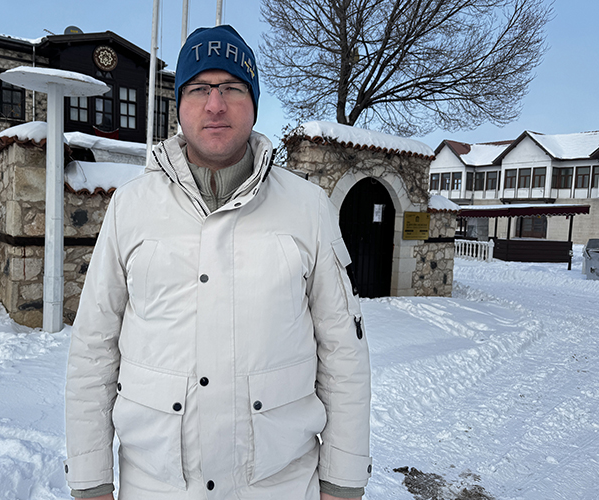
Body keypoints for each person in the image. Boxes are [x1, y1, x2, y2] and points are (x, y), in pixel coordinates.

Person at [64, 24, 371, 500]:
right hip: (157, 487)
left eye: (232, 87)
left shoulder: (309, 208)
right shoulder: (131, 206)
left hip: (280, 487)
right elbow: (93, 346)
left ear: (254, 103)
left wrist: (343, 481)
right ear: (178, 105)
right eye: (199, 89)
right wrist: (90, 481)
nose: (215, 104)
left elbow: (343, 353)